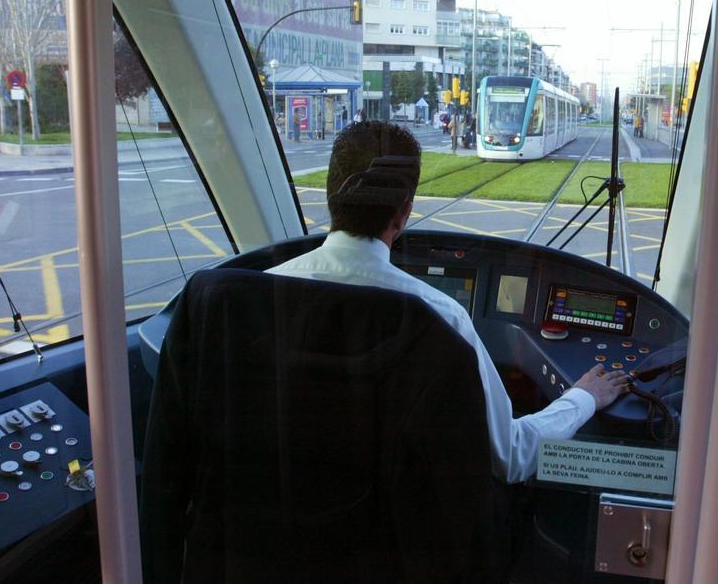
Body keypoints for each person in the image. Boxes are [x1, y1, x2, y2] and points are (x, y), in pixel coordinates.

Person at [268, 120, 629, 484]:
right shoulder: (440, 317)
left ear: (330, 198)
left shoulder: (254, 296)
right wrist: (584, 397)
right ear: (403, 213)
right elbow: (511, 457)